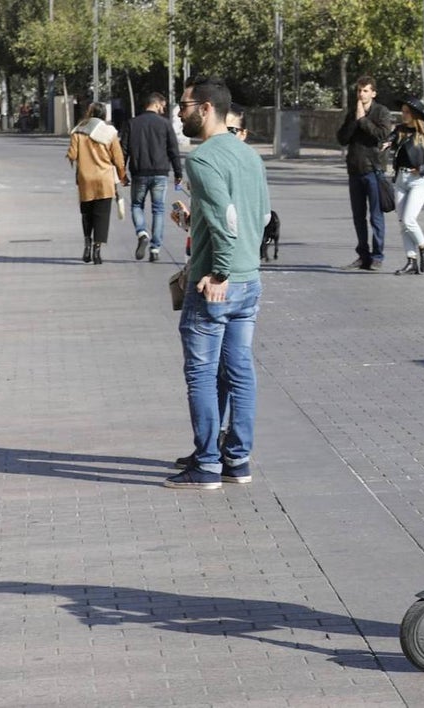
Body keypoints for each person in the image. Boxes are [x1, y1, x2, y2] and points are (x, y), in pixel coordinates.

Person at [165, 75, 271, 490]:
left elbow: (227, 222)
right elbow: (257, 218)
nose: (179, 112)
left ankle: (207, 464)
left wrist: (218, 271)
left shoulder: (204, 159)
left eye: (185, 105)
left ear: (206, 108)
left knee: (202, 374)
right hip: (249, 280)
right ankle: (237, 459)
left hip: (217, 285)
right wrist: (193, 223)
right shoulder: (249, 156)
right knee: (240, 371)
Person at [336, 75, 393, 271]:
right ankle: (363, 255)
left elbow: (382, 134)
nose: (362, 94)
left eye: (366, 90)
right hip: (355, 170)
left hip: (374, 170)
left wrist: (363, 120)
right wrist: (355, 120)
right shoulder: (353, 113)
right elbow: (342, 138)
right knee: (358, 216)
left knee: (376, 216)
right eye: (359, 91)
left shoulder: (381, 112)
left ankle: (377, 256)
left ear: (373, 93)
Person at [122, 92, 184, 263]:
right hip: (160, 173)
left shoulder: (132, 123)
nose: (163, 109)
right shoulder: (165, 124)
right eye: (163, 106)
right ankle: (155, 248)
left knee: (136, 205)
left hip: (139, 172)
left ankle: (142, 233)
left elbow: (123, 150)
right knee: (158, 209)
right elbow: (173, 151)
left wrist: (122, 173)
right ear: (156, 104)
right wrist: (178, 173)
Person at [66, 102, 127, 265]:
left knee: (87, 214)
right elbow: (118, 159)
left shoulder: (78, 131)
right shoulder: (110, 133)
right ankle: (97, 250)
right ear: (104, 115)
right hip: (104, 180)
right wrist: (122, 176)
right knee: (102, 215)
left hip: (85, 180)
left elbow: (72, 154)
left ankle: (87, 242)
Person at [386, 96, 424, 276]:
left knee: (409, 219)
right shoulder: (400, 130)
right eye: (402, 111)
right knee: (403, 222)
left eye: (407, 112)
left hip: (418, 180)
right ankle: (411, 260)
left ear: (415, 114)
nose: (404, 115)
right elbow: (391, 138)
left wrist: (422, 168)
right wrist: (386, 143)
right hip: (401, 179)